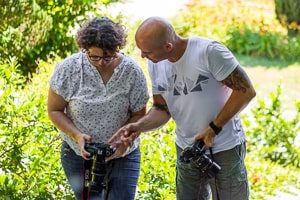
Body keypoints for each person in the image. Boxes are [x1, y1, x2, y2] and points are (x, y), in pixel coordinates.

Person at [109, 17, 256, 200]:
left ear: (168, 47)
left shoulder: (208, 52)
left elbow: (246, 92)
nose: (142, 56)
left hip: (224, 147)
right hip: (187, 149)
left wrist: (213, 128)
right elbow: (162, 109)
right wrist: (137, 126)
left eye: (146, 52)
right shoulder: (156, 64)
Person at [47, 16, 149, 200]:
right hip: (79, 156)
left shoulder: (132, 72)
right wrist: (76, 135)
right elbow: (54, 110)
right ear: (85, 49)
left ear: (117, 49)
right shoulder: (69, 69)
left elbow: (139, 115)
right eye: (94, 56)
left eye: (108, 56)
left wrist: (123, 140)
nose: (101, 62)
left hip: (123, 155)